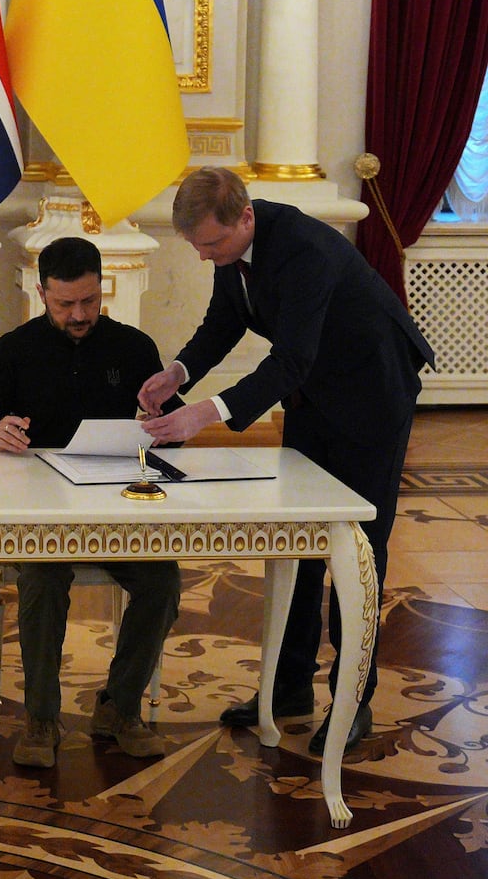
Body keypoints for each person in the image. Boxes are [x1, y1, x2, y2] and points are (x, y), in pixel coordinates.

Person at [139, 167, 433, 754]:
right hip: (315, 394)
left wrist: (202, 415)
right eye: (197, 247)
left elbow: (290, 359)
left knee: (359, 546)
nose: (204, 258)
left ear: (244, 218)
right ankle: (291, 685)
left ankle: (355, 699)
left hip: (372, 391)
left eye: (211, 245)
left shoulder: (305, 249)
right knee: (299, 538)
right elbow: (223, 324)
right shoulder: (235, 252)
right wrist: (178, 372)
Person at [0, 237, 181, 768]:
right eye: (64, 305)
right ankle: (40, 717)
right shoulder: (13, 350)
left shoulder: (134, 348)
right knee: (41, 578)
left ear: (102, 290)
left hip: (118, 508)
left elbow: (175, 424)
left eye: (88, 301)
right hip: (43, 515)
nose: (79, 315)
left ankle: (120, 708)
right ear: (41, 294)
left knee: (161, 580)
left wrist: (162, 426)